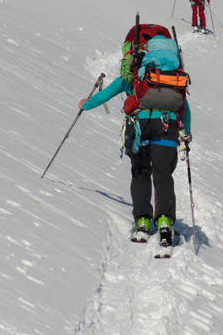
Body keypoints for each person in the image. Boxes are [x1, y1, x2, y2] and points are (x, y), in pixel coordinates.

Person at [79, 27, 193, 245]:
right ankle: (165, 223)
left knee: (140, 172)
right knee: (163, 175)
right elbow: (184, 109)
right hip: (166, 125)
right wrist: (185, 134)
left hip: (139, 126)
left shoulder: (135, 73)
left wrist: (85, 105)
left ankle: (142, 220)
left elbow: (104, 95)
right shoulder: (173, 76)